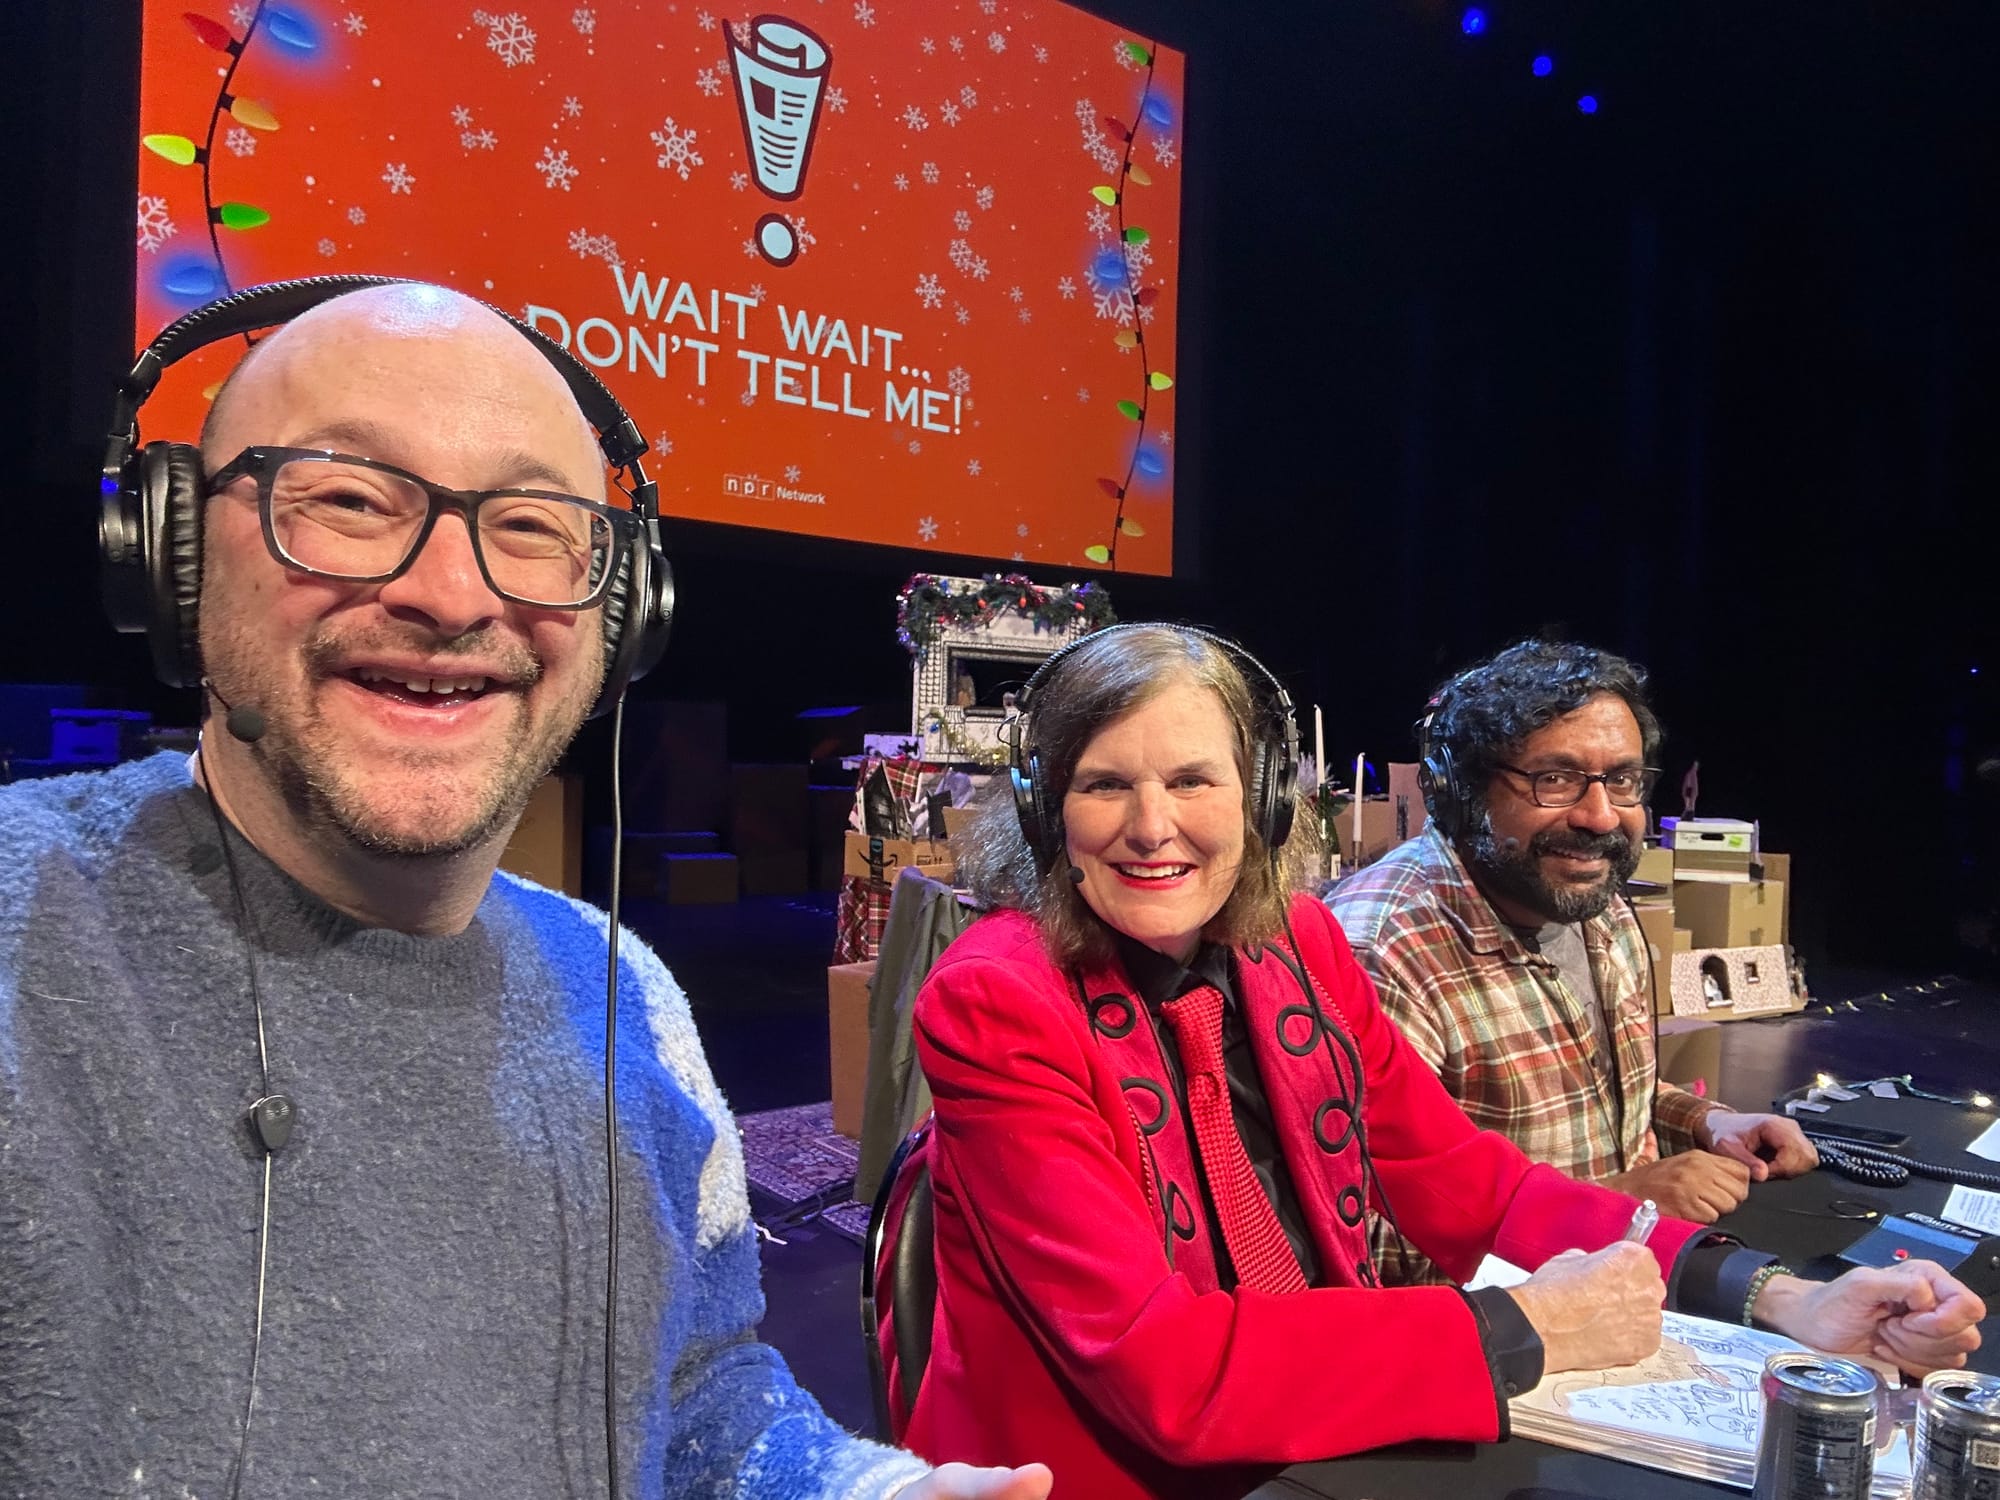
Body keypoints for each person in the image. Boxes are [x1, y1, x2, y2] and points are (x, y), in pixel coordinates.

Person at [0, 282, 1049, 1500]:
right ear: (171, 556)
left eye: (532, 526)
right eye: (347, 498)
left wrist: (862, 1492)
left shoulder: (624, 992)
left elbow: (700, 1396)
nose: (452, 595)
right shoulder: (27, 945)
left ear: (622, 611)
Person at [901, 623, 1982, 1500]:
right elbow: (1164, 1372)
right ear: (1047, 808)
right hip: (1090, 1477)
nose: (1152, 827)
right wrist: (1517, 1326)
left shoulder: (1297, 945)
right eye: (1103, 786)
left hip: (1320, 1438)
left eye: (1194, 780)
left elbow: (1470, 1183)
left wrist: (1777, 1299)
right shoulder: (997, 998)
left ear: (1265, 798)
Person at [1328, 640, 1816, 1274]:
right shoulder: (1381, 950)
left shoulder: (1588, 894)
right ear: (1461, 790)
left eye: (1623, 781)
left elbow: (1596, 1105)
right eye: (1554, 779)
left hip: (1635, 1273)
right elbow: (1356, 1244)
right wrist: (1615, 1204)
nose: (1600, 816)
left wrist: (1705, 1123)